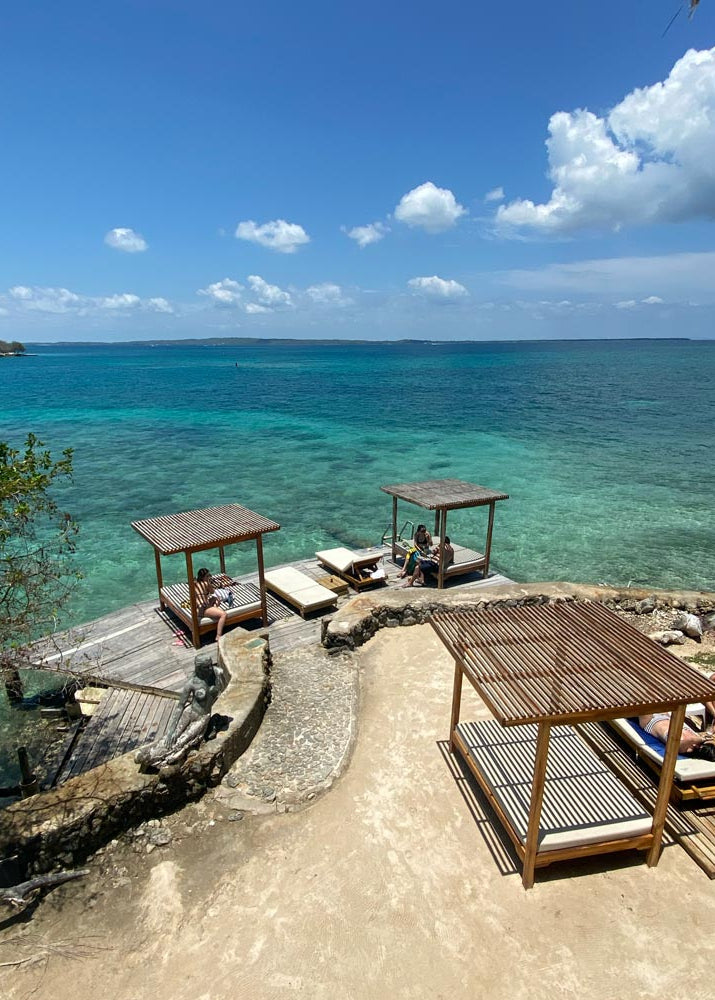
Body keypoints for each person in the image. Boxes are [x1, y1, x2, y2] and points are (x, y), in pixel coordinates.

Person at [194, 567, 227, 640]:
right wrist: (209, 583)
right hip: (203, 609)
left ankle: (213, 609)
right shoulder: (206, 583)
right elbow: (212, 592)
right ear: (203, 577)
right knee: (223, 614)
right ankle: (218, 635)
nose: (209, 577)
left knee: (214, 599)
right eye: (208, 576)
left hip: (197, 608)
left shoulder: (194, 584)